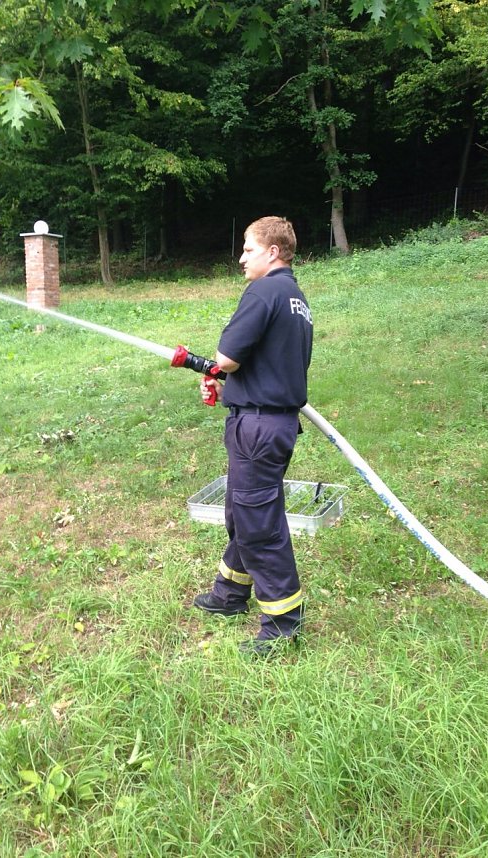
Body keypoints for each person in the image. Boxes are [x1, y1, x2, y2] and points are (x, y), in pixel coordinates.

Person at [193, 216, 313, 657]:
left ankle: (283, 624)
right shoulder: (296, 297)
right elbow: (272, 366)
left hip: (259, 428)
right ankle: (229, 595)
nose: (241, 257)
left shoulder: (263, 290)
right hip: (269, 420)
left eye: (248, 248)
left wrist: (218, 371)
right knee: (243, 511)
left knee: (258, 521)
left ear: (273, 252)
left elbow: (227, 356)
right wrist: (236, 390)